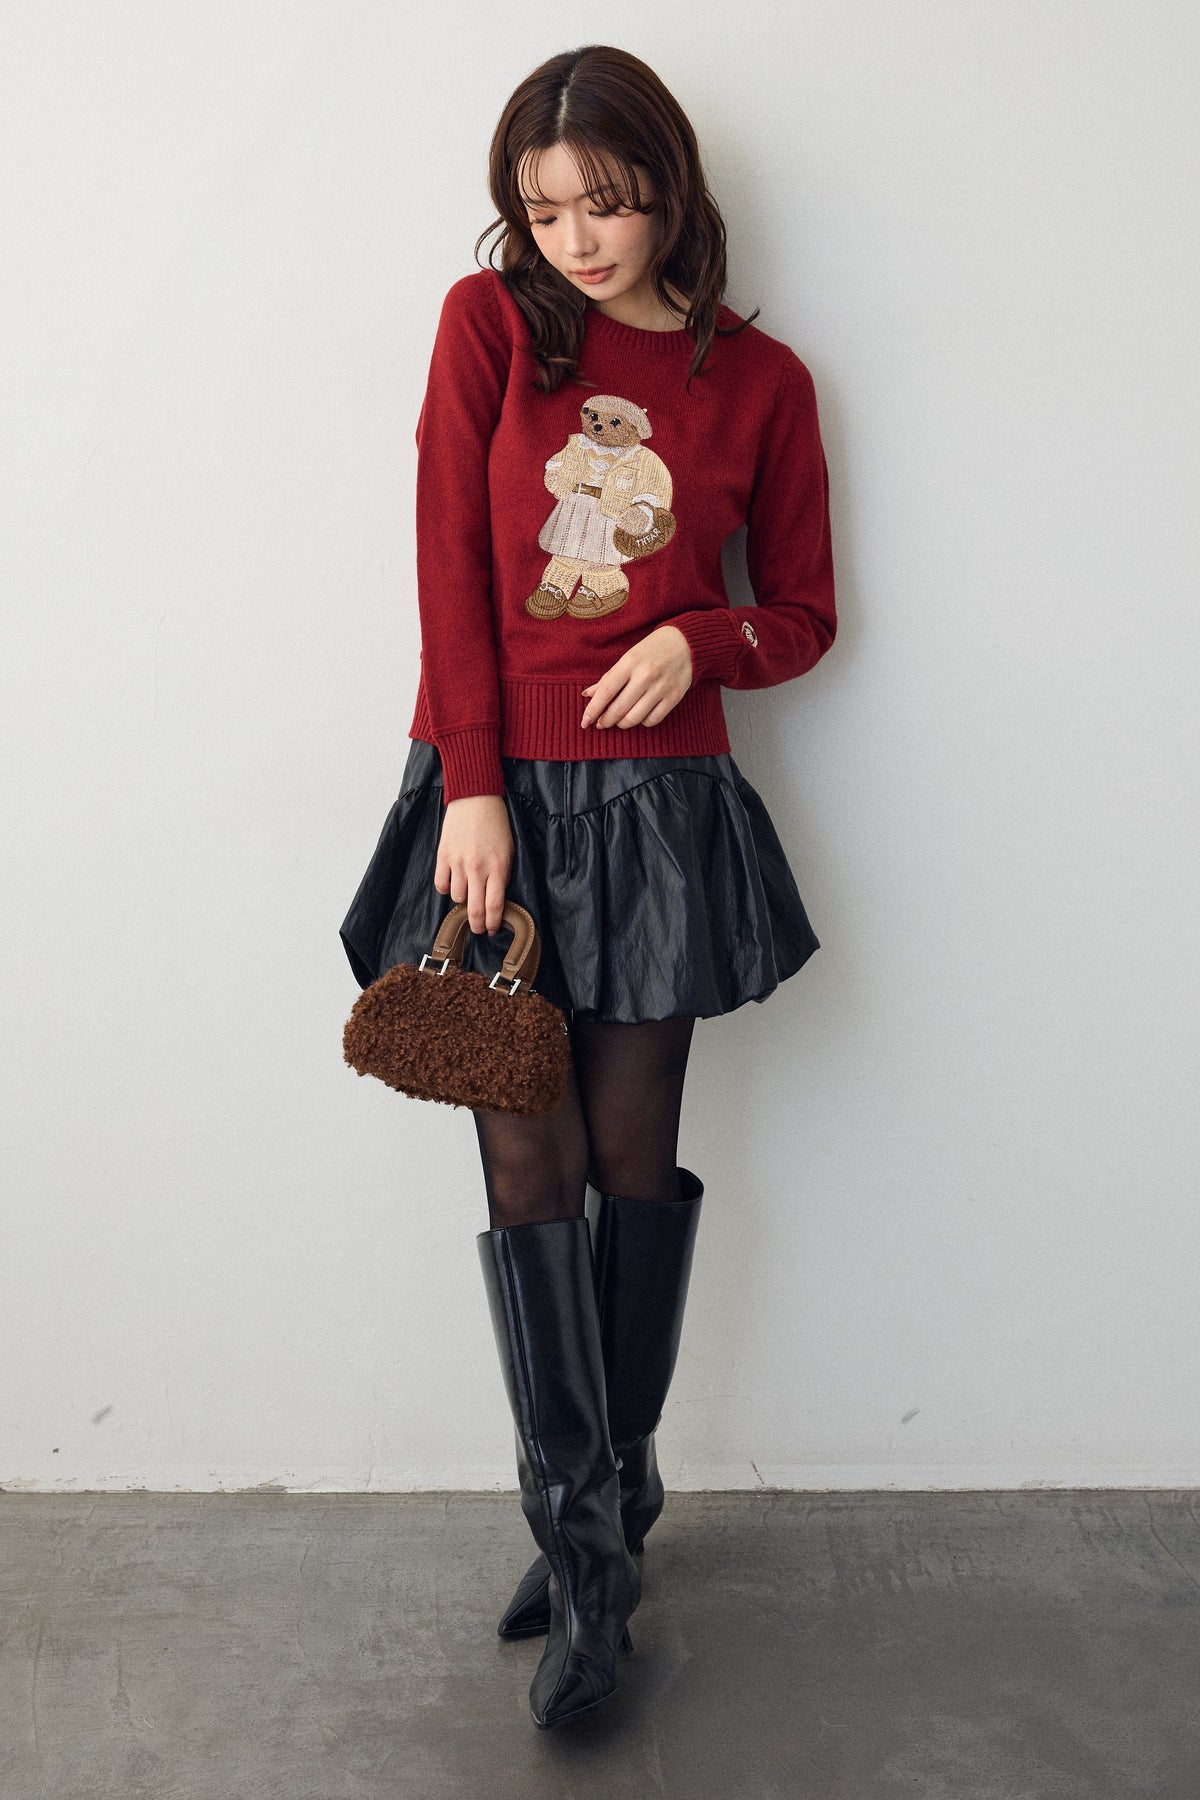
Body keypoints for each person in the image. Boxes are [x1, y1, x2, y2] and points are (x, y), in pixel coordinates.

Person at [339, 43, 837, 1730]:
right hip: (500, 797)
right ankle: (582, 1540)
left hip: (661, 809)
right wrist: (472, 782)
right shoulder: (491, 327)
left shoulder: (760, 381)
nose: (577, 238)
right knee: (523, 1155)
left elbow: (804, 613)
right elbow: (449, 561)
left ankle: (609, 1522)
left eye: (607, 203)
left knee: (632, 1161)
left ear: (670, 192)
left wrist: (703, 637)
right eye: (545, 209)